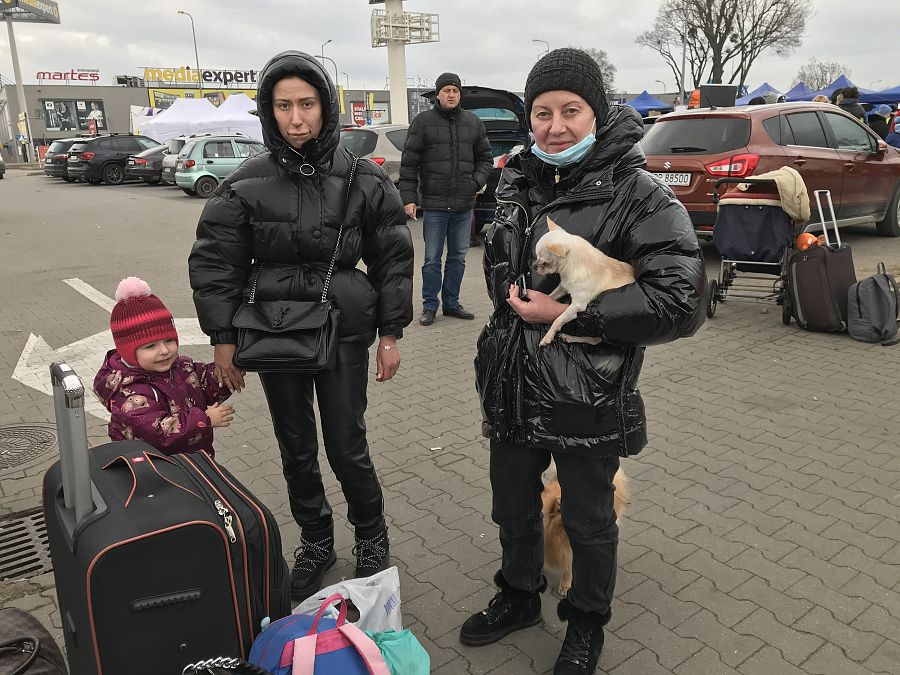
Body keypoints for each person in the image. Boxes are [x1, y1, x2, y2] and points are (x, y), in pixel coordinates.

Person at [460, 48, 706, 674]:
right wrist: (506, 290)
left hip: (586, 389)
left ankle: (585, 623)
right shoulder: (516, 179)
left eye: (571, 110)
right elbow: (500, 260)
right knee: (511, 505)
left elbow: (681, 300)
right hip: (512, 380)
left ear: (596, 113)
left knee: (588, 517)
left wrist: (578, 317)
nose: (555, 126)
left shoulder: (640, 195)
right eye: (542, 112)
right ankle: (518, 594)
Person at [188, 51, 414, 602]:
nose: (296, 118)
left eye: (307, 104)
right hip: (274, 329)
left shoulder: (363, 178)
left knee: (345, 441)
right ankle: (315, 540)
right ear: (268, 110)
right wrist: (222, 340)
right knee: (295, 445)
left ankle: (370, 533)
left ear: (325, 107)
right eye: (283, 105)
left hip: (343, 328)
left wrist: (391, 333)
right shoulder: (243, 183)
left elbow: (392, 256)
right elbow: (217, 263)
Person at [94, 277, 234, 458]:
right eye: (150, 346)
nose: (164, 351)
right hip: (156, 472)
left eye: (169, 341)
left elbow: (207, 383)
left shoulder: (181, 367)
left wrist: (230, 368)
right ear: (128, 351)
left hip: (192, 463)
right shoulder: (127, 392)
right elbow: (158, 432)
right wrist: (205, 419)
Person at [399, 72, 493, 326]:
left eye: (455, 91)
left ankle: (452, 303)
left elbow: (486, 159)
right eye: (446, 90)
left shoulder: (473, 123)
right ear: (438, 94)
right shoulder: (422, 123)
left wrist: (475, 182)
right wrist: (409, 198)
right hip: (434, 205)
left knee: (458, 258)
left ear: (459, 94)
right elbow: (409, 165)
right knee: (431, 259)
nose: (451, 95)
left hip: (464, 205)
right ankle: (430, 305)